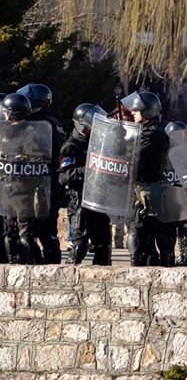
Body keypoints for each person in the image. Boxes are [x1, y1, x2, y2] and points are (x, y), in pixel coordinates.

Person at [123, 91, 175, 267]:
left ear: (147, 112)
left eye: (137, 111)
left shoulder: (151, 135)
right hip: (147, 186)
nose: (133, 114)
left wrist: (123, 145)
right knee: (148, 233)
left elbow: (134, 157)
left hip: (145, 187)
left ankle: (135, 263)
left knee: (137, 228)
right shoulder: (153, 131)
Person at [59, 103, 112, 265]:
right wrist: (88, 170)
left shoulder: (98, 143)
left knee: (103, 245)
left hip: (98, 198)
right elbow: (64, 176)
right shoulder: (72, 147)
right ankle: (69, 280)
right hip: (79, 199)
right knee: (79, 244)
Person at [16, 83, 63, 264]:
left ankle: (35, 269)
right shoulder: (54, 122)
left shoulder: (38, 125)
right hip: (50, 184)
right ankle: (54, 271)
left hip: (37, 184)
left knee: (29, 233)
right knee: (48, 233)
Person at [0, 93, 47, 264]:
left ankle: (19, 264)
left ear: (10, 112)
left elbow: (37, 161)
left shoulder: (25, 134)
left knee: (17, 231)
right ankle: (18, 264)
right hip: (16, 189)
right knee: (16, 230)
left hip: (18, 189)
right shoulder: (33, 132)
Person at [164, 121, 187, 266]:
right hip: (175, 195)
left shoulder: (183, 154)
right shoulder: (180, 153)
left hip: (177, 195)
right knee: (179, 226)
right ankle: (180, 255)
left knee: (176, 227)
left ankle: (181, 255)